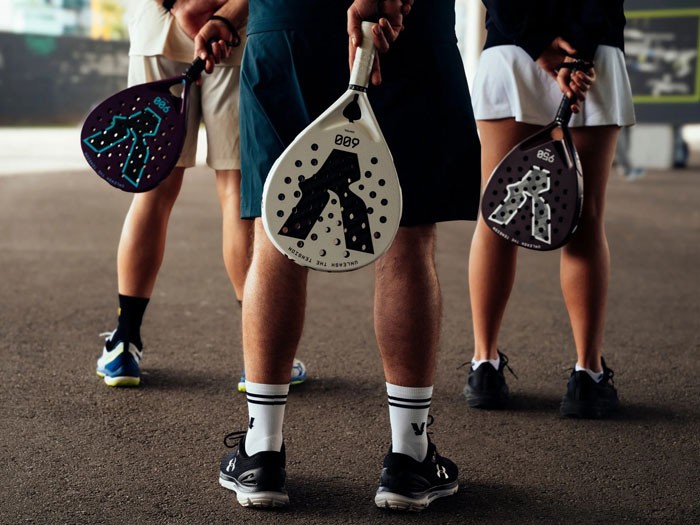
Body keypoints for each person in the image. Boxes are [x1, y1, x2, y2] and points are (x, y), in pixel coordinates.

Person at [178, 0, 482, 511]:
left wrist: (233, 13)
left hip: (291, 27)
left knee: (279, 235)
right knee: (406, 237)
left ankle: (260, 453)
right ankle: (409, 459)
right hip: (403, 32)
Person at [95, 0, 306, 391]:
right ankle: (258, 357)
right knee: (236, 189)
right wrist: (221, 12)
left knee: (155, 190)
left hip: (159, 28)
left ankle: (124, 343)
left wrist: (181, 7)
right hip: (234, 33)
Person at [465, 0, 635, 419]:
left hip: (512, 53)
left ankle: (484, 365)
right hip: (592, 59)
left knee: (497, 217)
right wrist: (579, 54)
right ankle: (587, 375)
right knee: (586, 220)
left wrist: (535, 40)